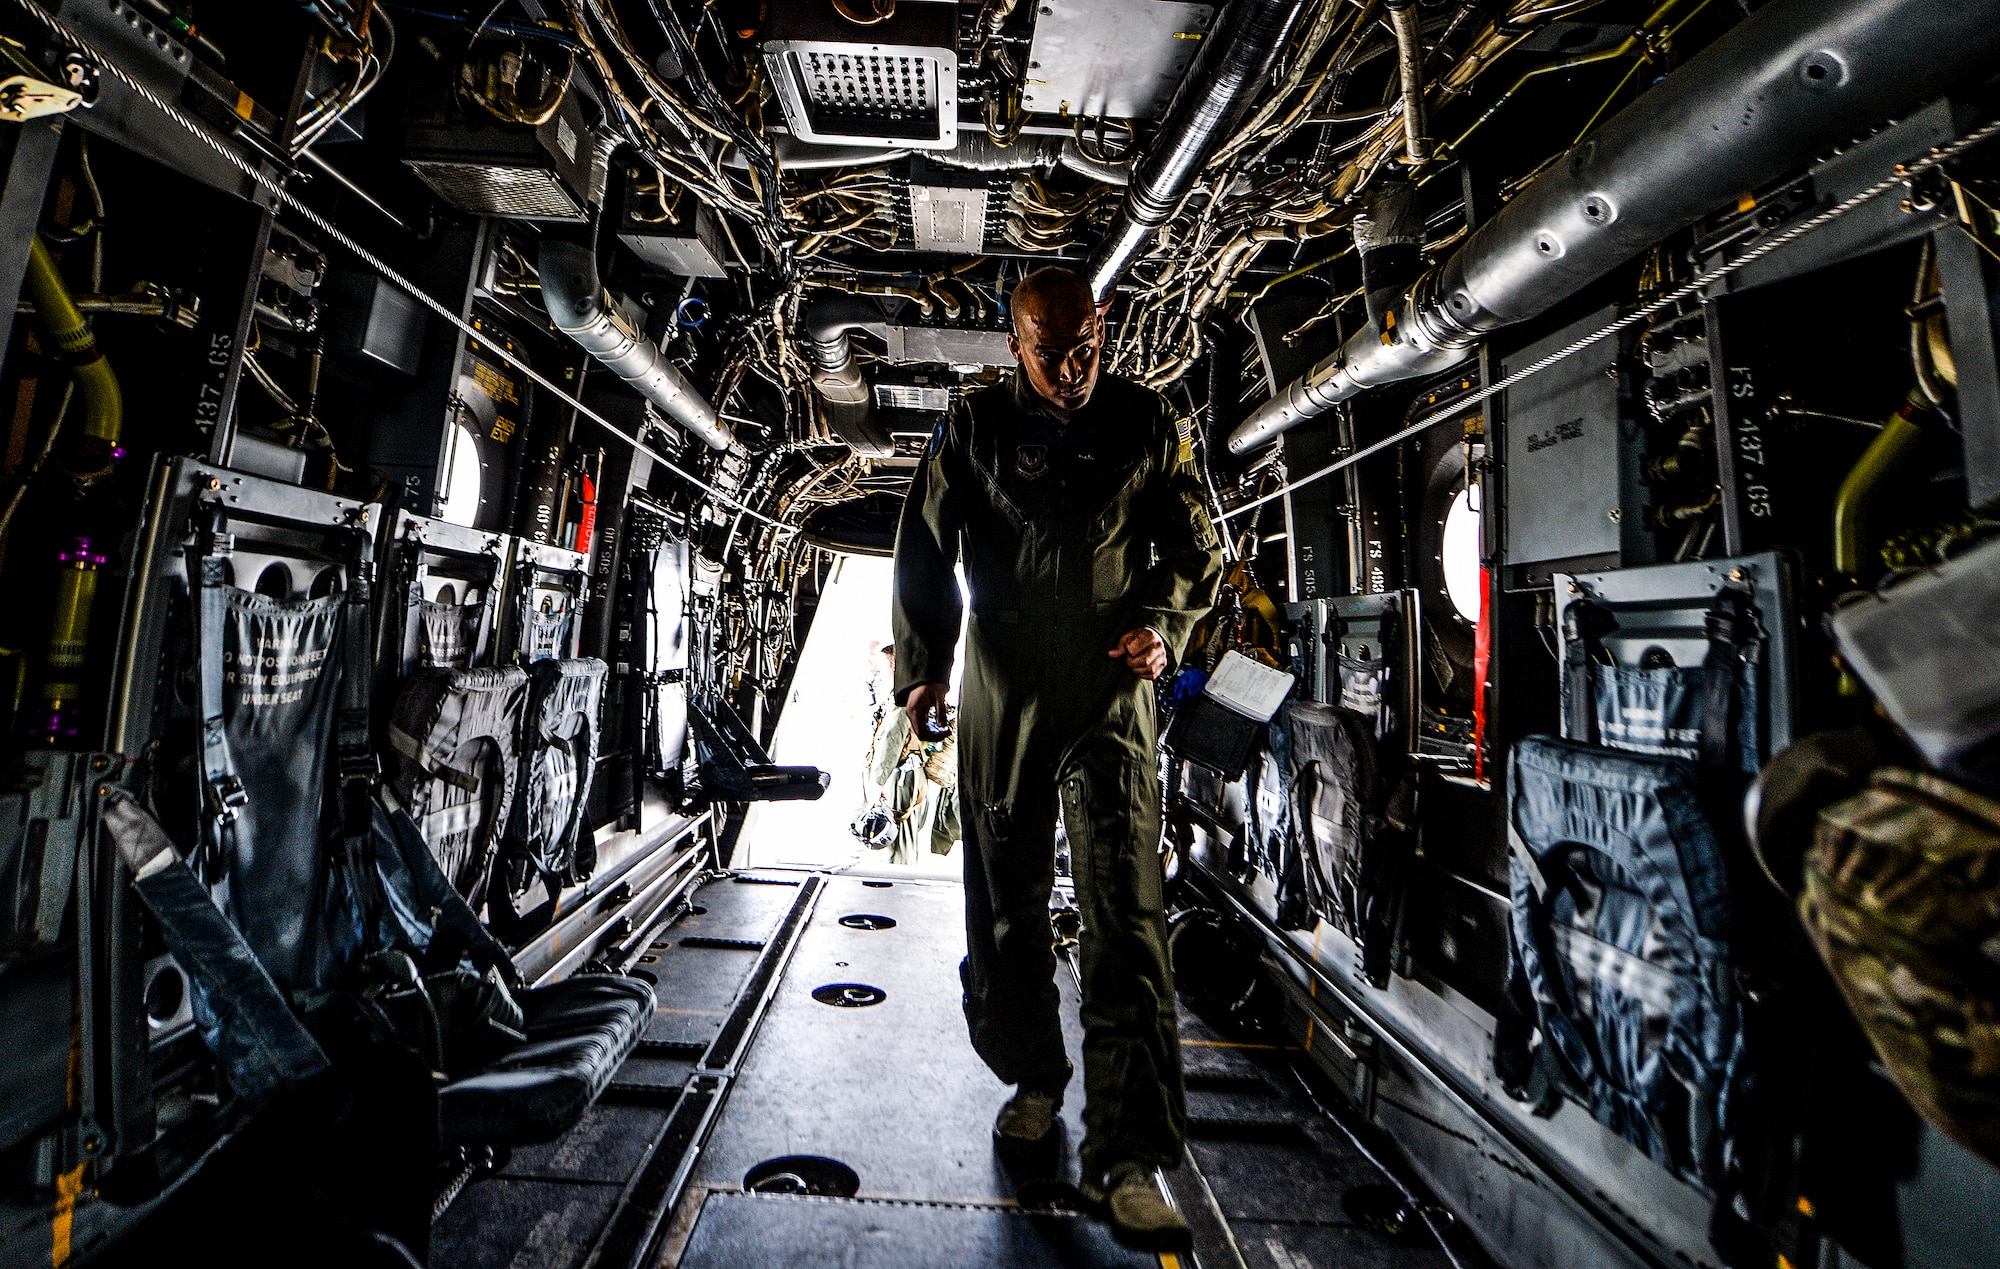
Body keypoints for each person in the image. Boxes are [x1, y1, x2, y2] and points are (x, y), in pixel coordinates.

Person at [891, 264, 1223, 1249]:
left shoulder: (1149, 422)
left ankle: (1127, 1156)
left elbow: (1200, 552)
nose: (1072, 370)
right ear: (1012, 346)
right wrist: (923, 669)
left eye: (1086, 348)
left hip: (1107, 689)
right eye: (1050, 353)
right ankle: (1033, 1080)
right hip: (1002, 685)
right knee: (1006, 901)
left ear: (1102, 327)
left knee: (1126, 907)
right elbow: (922, 544)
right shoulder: (976, 427)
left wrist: (1163, 623)